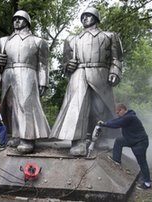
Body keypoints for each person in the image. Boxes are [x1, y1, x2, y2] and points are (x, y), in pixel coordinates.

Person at [50, 6, 123, 156]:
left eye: (88, 15)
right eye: (83, 16)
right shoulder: (72, 39)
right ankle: (78, 141)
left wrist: (115, 71)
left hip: (100, 73)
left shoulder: (109, 36)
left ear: (96, 18)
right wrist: (67, 66)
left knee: (99, 108)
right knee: (77, 107)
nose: (84, 18)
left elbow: (117, 58)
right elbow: (66, 61)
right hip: (79, 74)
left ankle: (100, 138)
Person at [0, 10, 50, 153]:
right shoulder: (4, 41)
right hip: (8, 74)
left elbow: (44, 64)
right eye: (14, 19)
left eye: (20, 18)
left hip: (28, 73)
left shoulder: (38, 41)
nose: (16, 21)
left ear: (27, 21)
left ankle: (28, 139)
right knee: (11, 106)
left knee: (26, 104)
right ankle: (17, 135)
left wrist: (43, 81)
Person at [98, 103, 152, 190]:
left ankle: (147, 183)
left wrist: (104, 124)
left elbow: (117, 124)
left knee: (142, 162)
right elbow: (116, 120)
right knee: (119, 141)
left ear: (123, 110)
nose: (117, 114)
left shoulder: (129, 117)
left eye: (118, 112)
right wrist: (105, 123)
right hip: (131, 139)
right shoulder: (126, 117)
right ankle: (117, 160)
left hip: (140, 142)